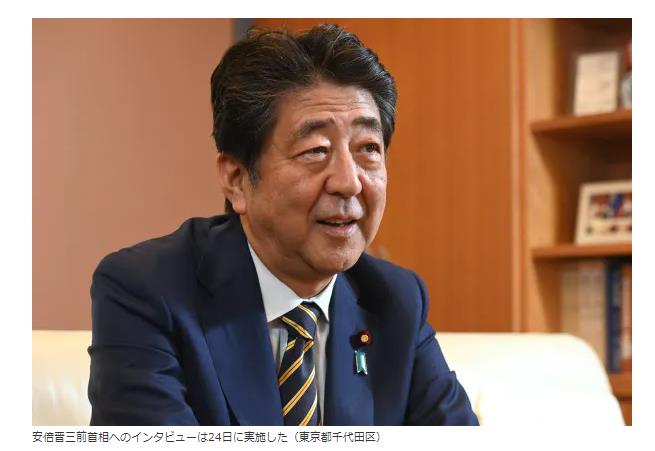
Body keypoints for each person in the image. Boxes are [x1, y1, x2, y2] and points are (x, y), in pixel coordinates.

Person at [87, 23, 479, 426]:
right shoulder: (147, 292)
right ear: (237, 179)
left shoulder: (394, 300)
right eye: (316, 150)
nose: (349, 182)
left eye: (368, 149)